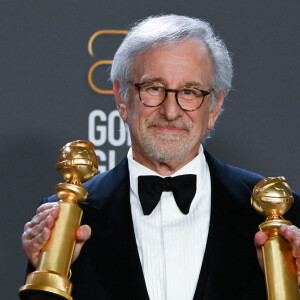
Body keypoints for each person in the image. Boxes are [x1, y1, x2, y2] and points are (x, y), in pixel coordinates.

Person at [22, 15, 300, 300]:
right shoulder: (65, 216)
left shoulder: (282, 215)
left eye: (190, 92)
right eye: (154, 88)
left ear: (215, 107)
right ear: (121, 97)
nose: (170, 111)